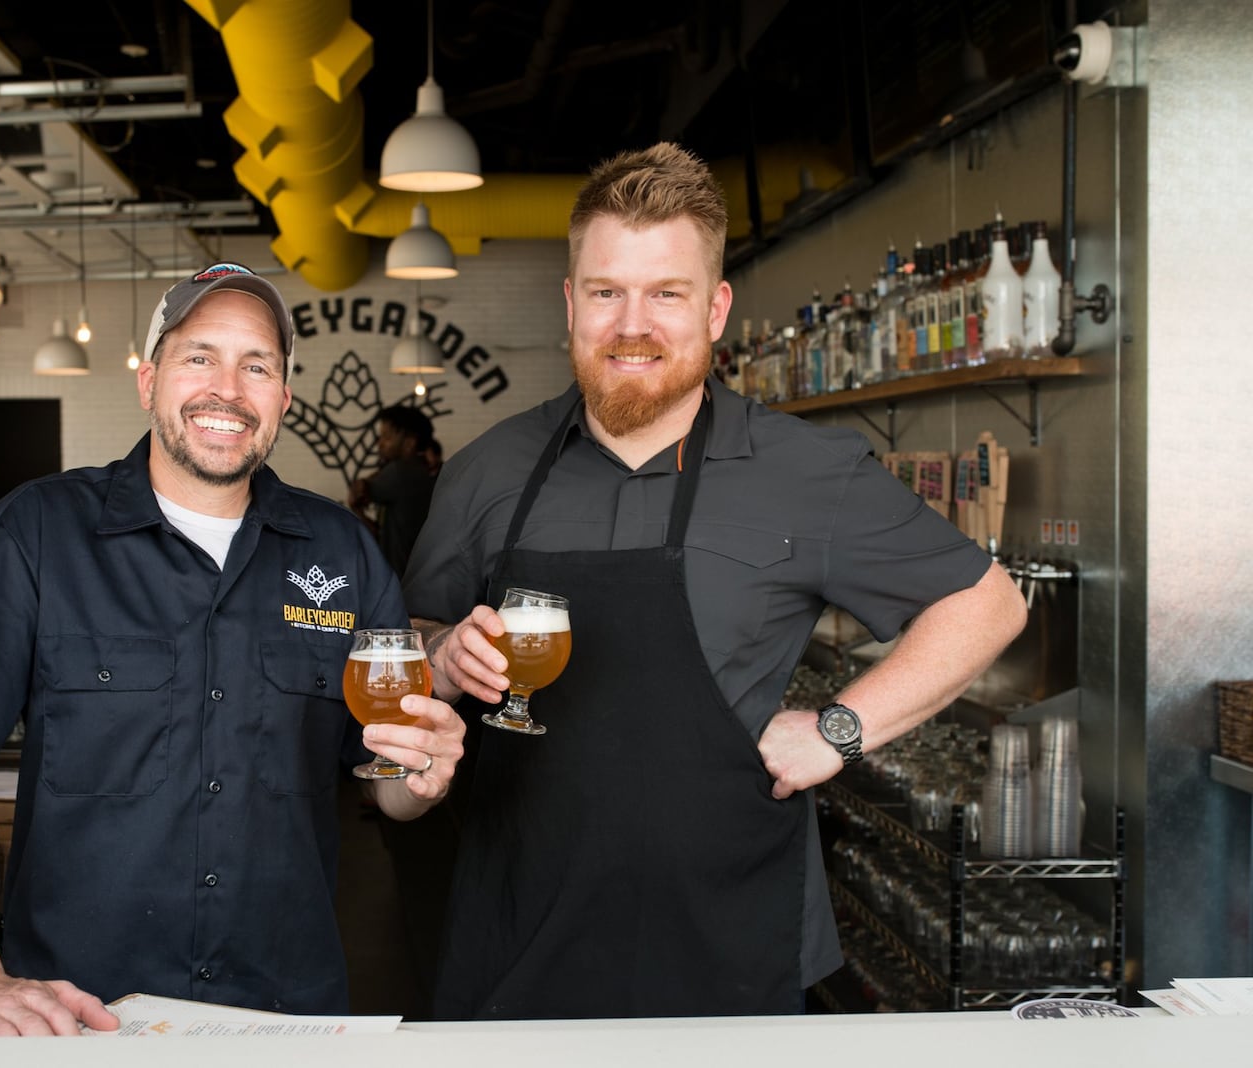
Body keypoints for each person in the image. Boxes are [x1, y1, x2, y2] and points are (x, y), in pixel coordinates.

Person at [403, 143, 1027, 1020]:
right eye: (606, 291)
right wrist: (439, 654)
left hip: (731, 939)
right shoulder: (486, 469)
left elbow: (988, 603)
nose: (633, 323)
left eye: (667, 293)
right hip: (516, 926)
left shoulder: (806, 470)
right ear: (570, 305)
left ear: (717, 307)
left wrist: (841, 730)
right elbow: (410, 643)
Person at [0, 262, 467, 1036]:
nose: (228, 387)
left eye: (257, 365)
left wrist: (422, 777)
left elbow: (382, 776)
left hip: (285, 1011)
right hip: (80, 1015)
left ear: (283, 398)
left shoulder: (343, 553)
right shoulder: (32, 537)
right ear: (149, 379)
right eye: (198, 357)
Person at [347, 405, 436, 577]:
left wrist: (358, 501)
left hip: (400, 576)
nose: (379, 444)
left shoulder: (400, 471)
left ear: (409, 443)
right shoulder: (421, 471)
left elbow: (358, 492)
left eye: (387, 438)